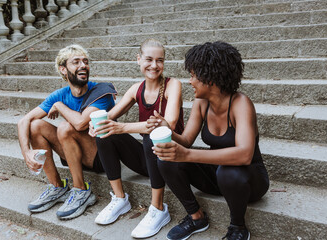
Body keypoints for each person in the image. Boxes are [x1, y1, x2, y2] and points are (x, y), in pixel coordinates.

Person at [151, 41, 269, 240]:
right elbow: (186, 140)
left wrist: (187, 155)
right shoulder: (201, 103)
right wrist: (166, 129)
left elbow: (245, 154)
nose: (190, 81)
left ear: (210, 78)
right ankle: (196, 217)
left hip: (248, 180)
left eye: (193, 75)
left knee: (228, 170)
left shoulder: (240, 103)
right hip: (217, 174)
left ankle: (238, 228)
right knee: (166, 159)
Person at [89, 38, 184, 238]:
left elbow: (169, 124)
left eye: (160, 60)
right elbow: (111, 116)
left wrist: (122, 127)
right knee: (104, 132)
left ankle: (158, 208)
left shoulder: (172, 85)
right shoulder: (136, 89)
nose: (154, 65)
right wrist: (96, 123)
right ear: (138, 59)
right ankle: (119, 198)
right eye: (149, 59)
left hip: (171, 157)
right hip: (148, 160)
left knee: (152, 136)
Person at [17, 44, 116, 220]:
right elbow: (24, 120)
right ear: (63, 69)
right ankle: (57, 187)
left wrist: (59, 106)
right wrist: (26, 152)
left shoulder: (101, 92)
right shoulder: (60, 94)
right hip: (73, 152)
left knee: (66, 126)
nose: (83, 65)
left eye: (85, 61)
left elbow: (80, 124)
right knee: (35, 125)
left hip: (101, 156)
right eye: (76, 62)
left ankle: (81, 190)